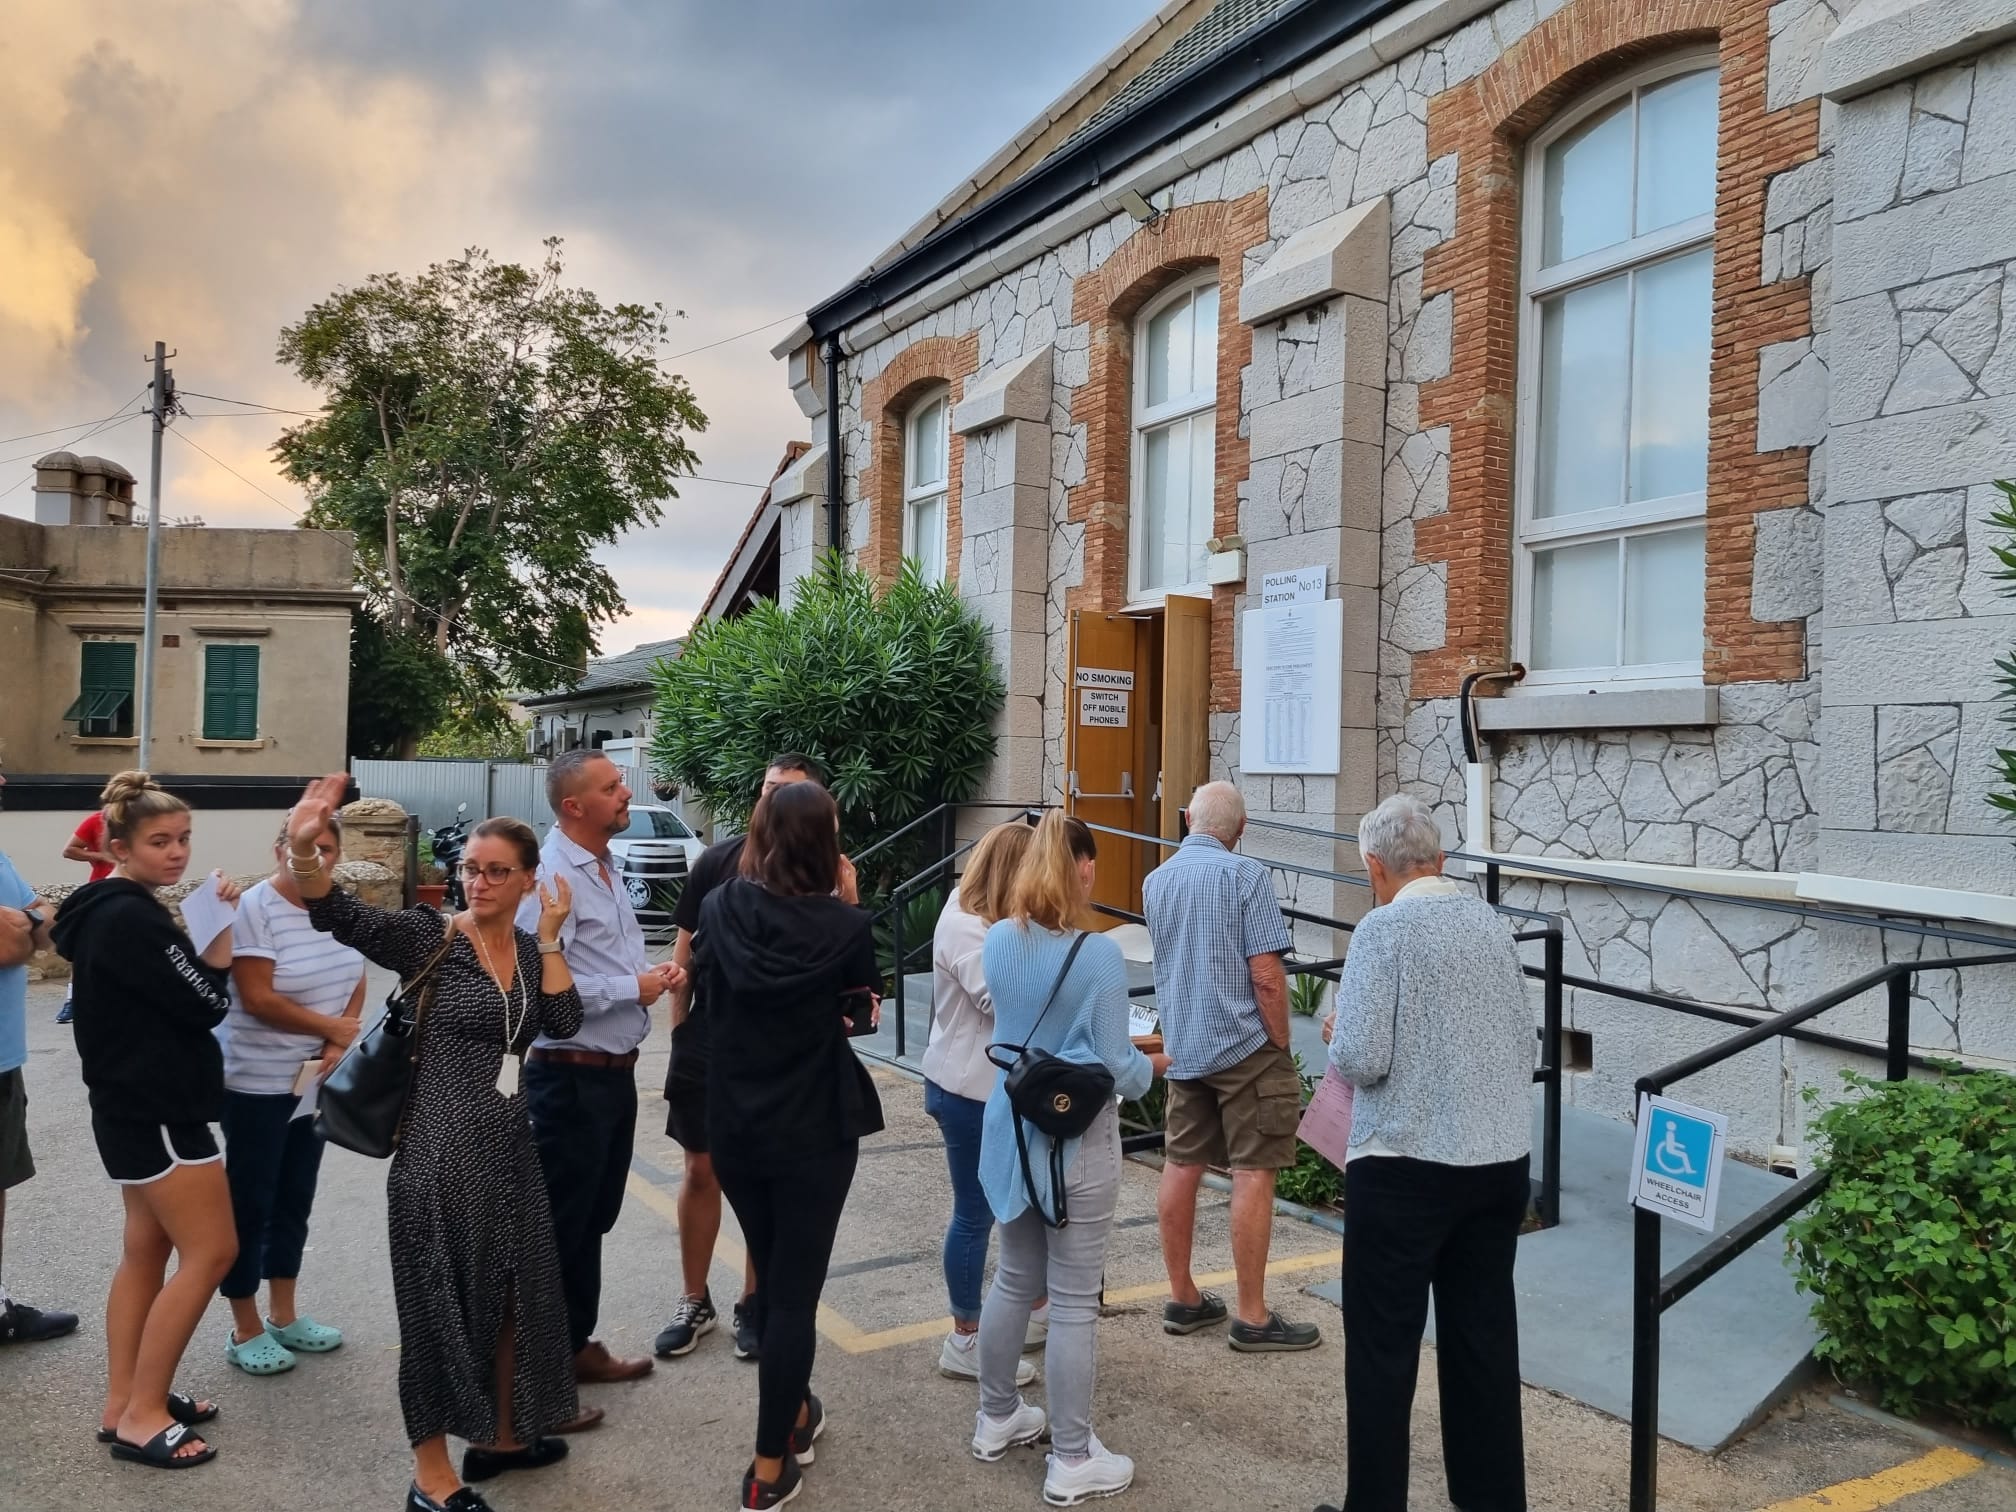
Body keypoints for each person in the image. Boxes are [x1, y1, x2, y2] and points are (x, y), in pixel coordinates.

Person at [286, 774, 586, 1512]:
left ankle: (504, 1436)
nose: (477, 882)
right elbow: (339, 914)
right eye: (469, 869)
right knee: (436, 1310)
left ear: (526, 879)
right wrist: (304, 853)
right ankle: (430, 1477)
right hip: (439, 1156)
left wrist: (549, 938)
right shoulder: (429, 936)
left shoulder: (521, 944)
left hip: (510, 1152)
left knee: (515, 1297)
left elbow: (564, 1020)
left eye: (494, 871)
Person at [1315, 793, 1533, 1512]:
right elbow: (1523, 1046)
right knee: (1483, 1348)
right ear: (1440, 861)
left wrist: (1336, 1032)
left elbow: (1364, 1056)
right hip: (1497, 1159)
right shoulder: (1495, 926)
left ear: (1375, 868)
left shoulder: (1385, 929)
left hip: (1407, 1165)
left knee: (1383, 1353)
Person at [698, 779, 884, 1511]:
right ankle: (769, 1467)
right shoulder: (844, 927)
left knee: (773, 1281)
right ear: (826, 842)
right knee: (792, 1301)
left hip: (737, 1122)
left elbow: (712, 999)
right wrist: (846, 903)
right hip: (814, 1126)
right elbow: (863, 1013)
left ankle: (795, 1413)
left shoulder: (721, 907)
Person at [973, 812, 1167, 1507]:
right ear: (1078, 867)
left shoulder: (998, 940)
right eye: (1090, 861)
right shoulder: (1102, 956)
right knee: (1075, 1300)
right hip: (1073, 1140)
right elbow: (1116, 1060)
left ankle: (996, 1416)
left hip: (1009, 1128)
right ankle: (1073, 1456)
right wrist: (1154, 1074)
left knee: (1013, 1276)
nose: (1095, 871)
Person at [50, 771, 242, 1469]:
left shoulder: (102, 908)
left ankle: (124, 1399)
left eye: (184, 839)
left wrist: (196, 943)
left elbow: (169, 988)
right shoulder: (132, 915)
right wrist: (219, 942)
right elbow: (205, 1000)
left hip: (129, 1106)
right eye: (160, 841)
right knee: (212, 1252)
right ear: (119, 846)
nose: (177, 853)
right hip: (160, 1110)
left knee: (147, 1251)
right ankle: (141, 1415)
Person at [517, 750, 679, 1403]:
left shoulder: (604, 863)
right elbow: (538, 985)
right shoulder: (549, 877)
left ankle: (573, 1346)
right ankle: (542, 1375)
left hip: (610, 1077)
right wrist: (630, 987)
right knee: (563, 1224)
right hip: (568, 1077)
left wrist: (646, 981)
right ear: (572, 807)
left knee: (592, 1219)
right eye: (611, 787)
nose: (626, 792)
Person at [652, 753, 822, 1362]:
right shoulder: (718, 861)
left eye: (789, 794)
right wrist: (679, 1035)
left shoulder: (823, 871)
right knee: (702, 1170)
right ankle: (694, 1300)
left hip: (780, 1056)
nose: (773, 802)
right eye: (768, 789)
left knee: (765, 1177)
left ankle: (756, 1302)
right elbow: (686, 951)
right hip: (708, 1043)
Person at [1144, 781, 1319, 1353]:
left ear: (1188, 818)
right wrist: (1279, 1042)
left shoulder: (1156, 881)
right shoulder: (1246, 878)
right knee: (1253, 1171)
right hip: (1245, 1045)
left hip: (1186, 1044)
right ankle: (1251, 1314)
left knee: (1182, 1161)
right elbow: (1267, 975)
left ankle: (1184, 1297)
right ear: (1240, 830)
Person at [215, 819, 367, 1375]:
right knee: (250, 1200)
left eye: (328, 849)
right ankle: (244, 1323)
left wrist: (341, 1030)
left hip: (313, 1081)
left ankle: (285, 1313)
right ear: (280, 849)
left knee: (296, 1192)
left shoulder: (335, 907)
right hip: (256, 1082)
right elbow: (256, 997)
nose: (318, 858)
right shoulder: (256, 907)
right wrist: (333, 1029)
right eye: (306, 848)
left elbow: (355, 973)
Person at [922, 819, 1042, 1385]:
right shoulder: (969, 927)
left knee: (1019, 1203)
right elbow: (999, 1001)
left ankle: (1033, 1311)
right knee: (975, 1214)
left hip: (981, 1086)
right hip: (967, 1090)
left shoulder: (980, 916)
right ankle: (964, 1338)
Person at [0, 764, 79, 1347]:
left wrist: (29, 919)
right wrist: (31, 921)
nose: (3, 783)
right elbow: (12, 942)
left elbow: (49, 925)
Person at [54, 804, 113, 1023]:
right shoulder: (96, 820)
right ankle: (72, 1000)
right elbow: (69, 850)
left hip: (134, 890)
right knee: (84, 947)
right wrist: (100, 855)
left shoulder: (141, 820)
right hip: (99, 890)